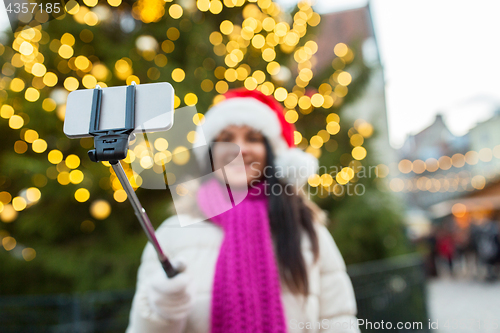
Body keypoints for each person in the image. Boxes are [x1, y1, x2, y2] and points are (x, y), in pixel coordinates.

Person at [126, 88, 361, 333]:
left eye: (253, 138)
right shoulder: (172, 234)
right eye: (226, 138)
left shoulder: (307, 232)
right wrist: (160, 312)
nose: (239, 149)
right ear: (211, 154)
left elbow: (339, 322)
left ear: (271, 155)